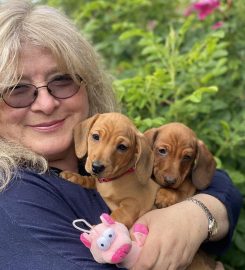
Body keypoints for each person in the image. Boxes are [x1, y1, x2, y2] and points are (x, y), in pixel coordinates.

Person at [0, 1, 242, 270]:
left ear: (88, 84)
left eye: (62, 79)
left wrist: (196, 214)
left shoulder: (107, 148)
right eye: (17, 89)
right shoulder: (13, 200)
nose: (46, 104)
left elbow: (217, 182)